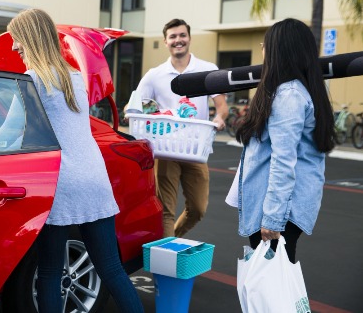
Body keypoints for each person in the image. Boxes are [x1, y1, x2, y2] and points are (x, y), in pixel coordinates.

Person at [7, 8, 144, 313]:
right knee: (112, 270)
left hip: (63, 183)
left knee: (50, 273)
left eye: (18, 39)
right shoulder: (74, 77)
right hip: (94, 177)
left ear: (30, 38)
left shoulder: (32, 81)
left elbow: (9, 134)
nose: (15, 46)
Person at [231, 18, 336, 262]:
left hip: (280, 211)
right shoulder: (298, 90)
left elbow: (283, 160)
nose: (262, 48)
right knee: (274, 286)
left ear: (280, 50)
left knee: (272, 290)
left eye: (266, 44)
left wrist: (272, 219)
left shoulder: (288, 95)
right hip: (284, 208)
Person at [134, 18, 228, 238]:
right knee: (165, 209)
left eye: (182, 35)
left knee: (198, 209)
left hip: (196, 149)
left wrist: (220, 119)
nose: (178, 40)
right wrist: (140, 112)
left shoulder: (207, 69)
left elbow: (221, 106)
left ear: (189, 38)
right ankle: (165, 255)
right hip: (166, 150)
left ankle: (172, 238)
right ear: (165, 42)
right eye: (173, 36)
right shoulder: (155, 75)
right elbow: (134, 105)